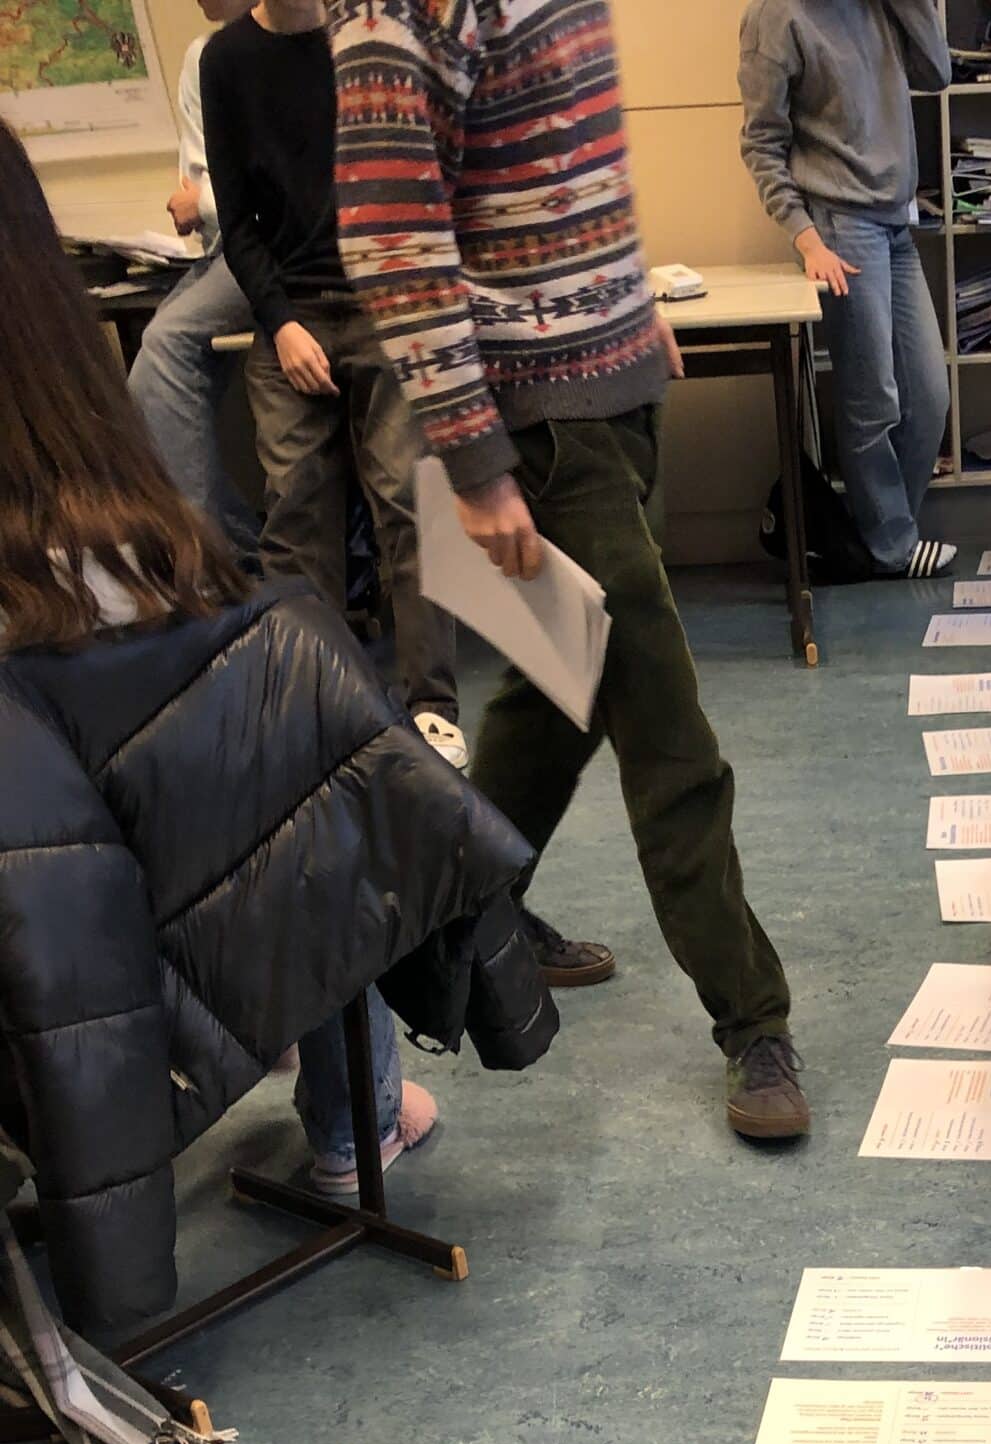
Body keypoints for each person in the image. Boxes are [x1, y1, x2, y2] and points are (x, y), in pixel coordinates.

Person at [330, 0, 810, 1140]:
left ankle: (438, 932)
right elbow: (393, 239)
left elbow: (568, 156)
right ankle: (753, 1018)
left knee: (559, 701)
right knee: (668, 732)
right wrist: (477, 460)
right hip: (539, 433)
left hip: (616, 392)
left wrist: (632, 305)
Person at [0, 117, 461, 1214]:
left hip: (70, 929)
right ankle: (351, 1108)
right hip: (107, 925)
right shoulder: (99, 505)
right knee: (305, 745)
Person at [199, 0, 465, 770]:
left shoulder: (371, 37)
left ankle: (433, 709)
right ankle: (318, 707)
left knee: (409, 499)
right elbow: (237, 224)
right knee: (295, 508)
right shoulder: (227, 60)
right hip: (292, 312)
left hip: (386, 304)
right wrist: (281, 322)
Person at [738, 1, 957, 580]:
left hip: (896, 219)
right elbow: (761, 143)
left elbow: (937, 73)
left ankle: (883, 538)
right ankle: (891, 546)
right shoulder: (776, 16)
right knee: (872, 399)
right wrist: (806, 237)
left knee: (929, 395)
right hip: (840, 224)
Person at [125, 0, 259, 562]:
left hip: (272, 247)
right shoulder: (203, 56)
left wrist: (200, 202)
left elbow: (277, 185)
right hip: (224, 248)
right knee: (147, 380)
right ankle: (236, 549)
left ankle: (209, 560)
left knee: (164, 347)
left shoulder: (300, 42)